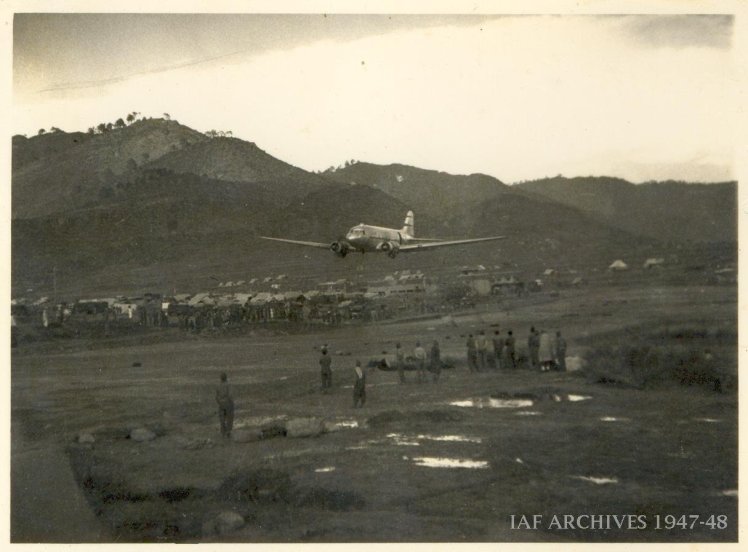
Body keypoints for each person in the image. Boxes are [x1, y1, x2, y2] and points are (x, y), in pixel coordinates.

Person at [216, 372, 234, 438]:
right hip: (228, 403)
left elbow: (216, 396)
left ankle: (223, 432)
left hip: (221, 404)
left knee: (222, 418)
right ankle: (228, 432)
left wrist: (219, 402)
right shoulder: (228, 385)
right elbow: (230, 395)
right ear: (226, 378)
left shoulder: (218, 385)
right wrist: (231, 403)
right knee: (229, 418)